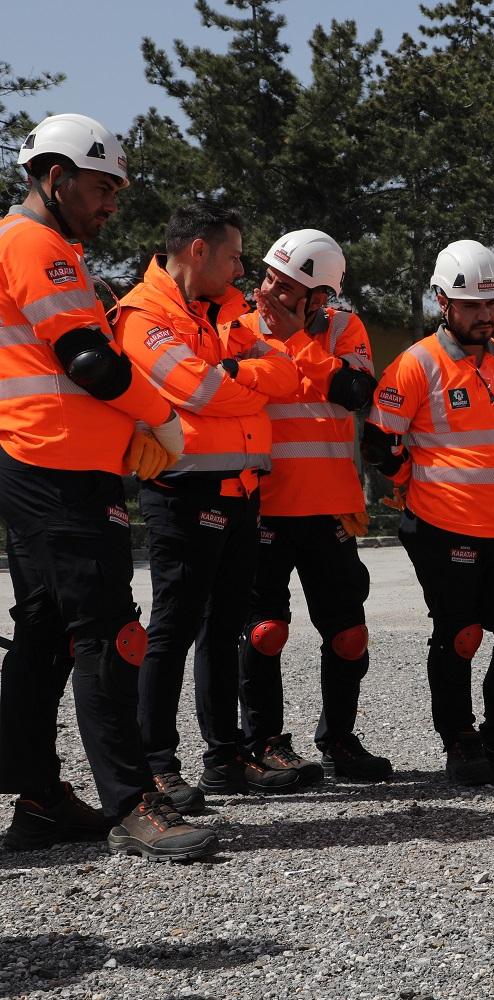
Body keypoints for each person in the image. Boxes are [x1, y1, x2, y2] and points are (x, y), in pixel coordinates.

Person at [0, 113, 216, 860]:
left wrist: (122, 434)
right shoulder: (37, 245)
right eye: (100, 188)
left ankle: (39, 800)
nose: (112, 205)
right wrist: (161, 417)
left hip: (49, 461)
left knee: (46, 633)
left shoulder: (42, 246)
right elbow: (88, 360)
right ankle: (133, 802)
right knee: (111, 633)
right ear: (55, 178)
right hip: (55, 469)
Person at [116, 201, 301, 810]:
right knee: (171, 631)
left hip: (241, 491)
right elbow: (195, 388)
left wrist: (231, 373)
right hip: (183, 493)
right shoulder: (144, 314)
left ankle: (224, 758)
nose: (241, 269)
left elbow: (287, 376)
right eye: (234, 256)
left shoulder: (226, 312)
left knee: (223, 631)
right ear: (198, 250)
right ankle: (155, 766)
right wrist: (242, 380)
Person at [363, 239, 494, 785]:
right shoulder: (416, 363)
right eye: (472, 305)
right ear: (442, 302)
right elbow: (378, 443)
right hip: (440, 525)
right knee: (461, 635)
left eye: (492, 304)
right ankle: (460, 739)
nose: (485, 315)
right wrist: (410, 480)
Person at [230, 229, 389, 783]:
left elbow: (356, 394)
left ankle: (339, 741)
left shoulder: (345, 329)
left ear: (320, 296)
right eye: (268, 278)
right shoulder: (238, 328)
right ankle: (263, 743)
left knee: (348, 635)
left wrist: (297, 340)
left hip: (329, 507)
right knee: (264, 631)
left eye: (285, 286)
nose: (267, 292)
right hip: (261, 506)